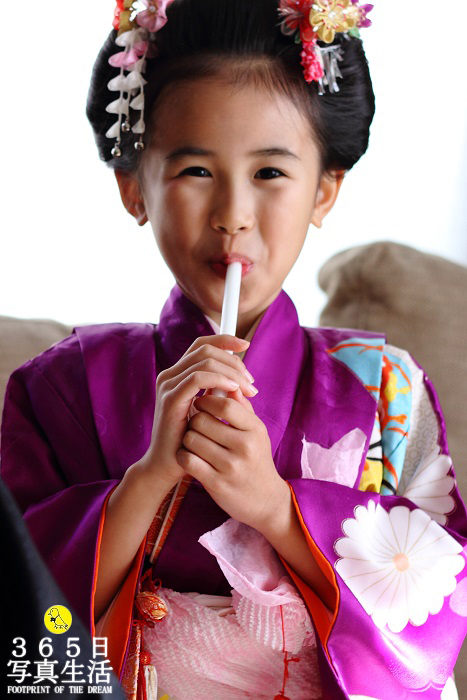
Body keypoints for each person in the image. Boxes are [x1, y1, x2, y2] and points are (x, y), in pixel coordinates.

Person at [1, 0, 467, 698]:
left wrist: (277, 510)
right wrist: (150, 478)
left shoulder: (384, 388)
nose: (232, 215)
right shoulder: (58, 387)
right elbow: (19, 619)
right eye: (194, 171)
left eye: (271, 174)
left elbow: (439, 609)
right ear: (134, 187)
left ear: (324, 190)